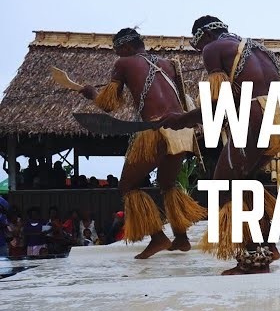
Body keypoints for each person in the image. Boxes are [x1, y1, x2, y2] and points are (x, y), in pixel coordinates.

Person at [160, 15, 280, 275]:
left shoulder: (213, 48)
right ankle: (268, 246)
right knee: (244, 183)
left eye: (197, 44)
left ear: (205, 36)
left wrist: (183, 119)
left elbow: (218, 102)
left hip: (258, 114)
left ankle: (252, 262)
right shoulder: (257, 48)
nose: (200, 51)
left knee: (222, 187)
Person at [79, 28, 207, 259]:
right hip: (181, 131)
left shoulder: (124, 63)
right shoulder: (168, 63)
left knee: (127, 186)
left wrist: (91, 94)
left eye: (117, 49)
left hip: (155, 131)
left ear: (126, 47)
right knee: (168, 184)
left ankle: (158, 238)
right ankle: (181, 237)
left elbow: (108, 105)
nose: (116, 54)